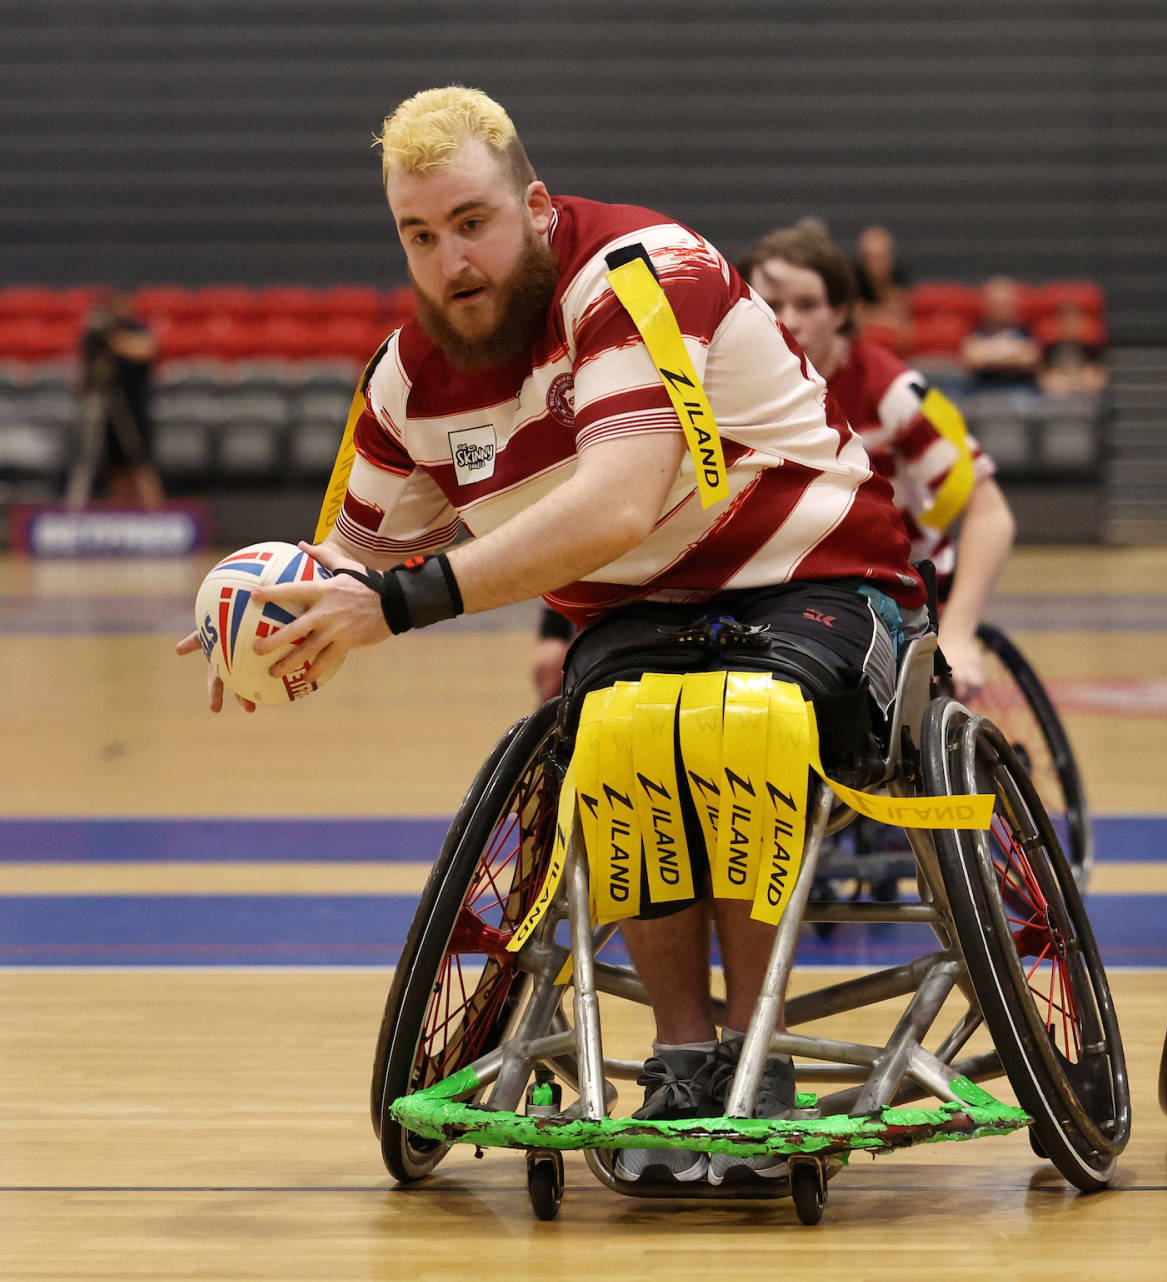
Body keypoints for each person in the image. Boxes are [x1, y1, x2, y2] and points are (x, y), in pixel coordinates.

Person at [173, 86, 926, 1186]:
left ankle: (757, 1066)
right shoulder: (403, 378)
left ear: (531, 205)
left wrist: (401, 602)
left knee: (737, 718)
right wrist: (263, 610)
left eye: (471, 222)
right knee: (616, 733)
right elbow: (355, 552)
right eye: (419, 236)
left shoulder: (637, 273)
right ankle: (683, 1055)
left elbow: (620, 501)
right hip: (630, 617)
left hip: (815, 573)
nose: (449, 261)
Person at [741, 224, 1014, 698]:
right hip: (797, 590)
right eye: (771, 305)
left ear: (841, 311)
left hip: (905, 590)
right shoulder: (740, 394)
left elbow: (990, 514)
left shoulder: (895, 390)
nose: (788, 321)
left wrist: (959, 634)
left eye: (807, 305)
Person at [70, 288, 163, 509]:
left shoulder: (136, 329)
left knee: (140, 464)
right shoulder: (98, 336)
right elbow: (85, 371)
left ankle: (158, 516)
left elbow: (145, 350)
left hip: (133, 408)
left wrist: (111, 338)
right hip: (105, 408)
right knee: (115, 470)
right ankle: (119, 514)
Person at [960, 276, 1041, 392]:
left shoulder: (1025, 330)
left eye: (1005, 305)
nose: (1001, 310)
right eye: (997, 305)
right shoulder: (976, 330)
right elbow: (972, 359)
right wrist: (1013, 354)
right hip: (983, 390)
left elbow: (1030, 359)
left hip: (1020, 390)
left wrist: (989, 354)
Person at [1037, 302, 1108, 397]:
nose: (1071, 326)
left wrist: (1079, 380)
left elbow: (1099, 375)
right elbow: (1043, 376)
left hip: (1084, 388)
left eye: (1075, 322)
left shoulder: (1091, 348)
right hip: (1058, 389)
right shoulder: (1049, 348)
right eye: (1067, 322)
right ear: (1060, 323)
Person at [851, 224, 911, 333]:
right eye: (870, 257)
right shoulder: (853, 279)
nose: (876, 265)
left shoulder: (898, 275)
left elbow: (900, 318)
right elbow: (856, 320)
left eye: (882, 258)